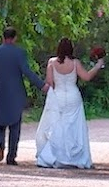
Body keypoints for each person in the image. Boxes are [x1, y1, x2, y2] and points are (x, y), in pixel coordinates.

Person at [0, 26, 49, 166]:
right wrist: (42, 85)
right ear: (15, 38)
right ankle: (11, 156)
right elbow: (27, 72)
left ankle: (0, 146)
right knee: (15, 126)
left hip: (0, 93)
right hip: (16, 94)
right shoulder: (19, 53)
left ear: (3, 37)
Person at [34, 37, 104, 169]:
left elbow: (49, 82)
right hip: (73, 96)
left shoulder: (52, 62)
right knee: (74, 127)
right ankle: (75, 157)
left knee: (58, 127)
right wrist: (98, 65)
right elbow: (87, 77)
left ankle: (56, 156)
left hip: (59, 96)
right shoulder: (75, 63)